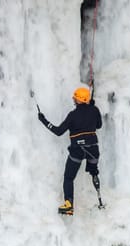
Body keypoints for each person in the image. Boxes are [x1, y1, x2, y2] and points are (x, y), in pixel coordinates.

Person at [37, 86, 103, 215]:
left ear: (78, 100)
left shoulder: (73, 115)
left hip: (77, 150)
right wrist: (92, 108)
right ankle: (100, 199)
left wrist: (43, 120)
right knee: (94, 171)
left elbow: (58, 131)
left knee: (68, 178)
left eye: (75, 97)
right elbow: (99, 125)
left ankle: (69, 205)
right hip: (93, 150)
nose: (73, 99)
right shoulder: (94, 110)